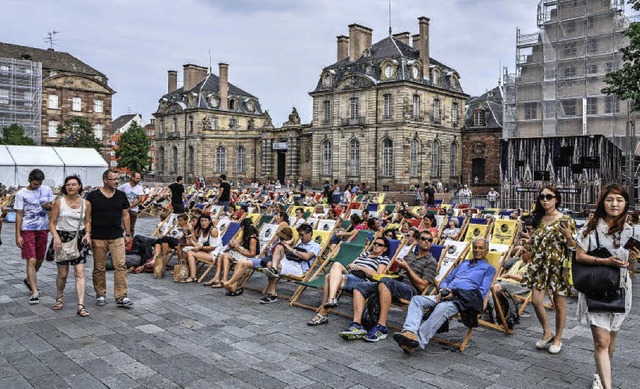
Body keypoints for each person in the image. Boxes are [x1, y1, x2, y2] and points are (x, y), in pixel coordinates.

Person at [574, 184, 637, 389]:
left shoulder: (630, 230)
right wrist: (605, 261)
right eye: (610, 199)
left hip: (620, 289)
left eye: (619, 200)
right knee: (601, 341)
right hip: (595, 288)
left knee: (610, 340)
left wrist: (634, 260)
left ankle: (600, 375)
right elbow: (579, 256)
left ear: (626, 203)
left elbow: (630, 266)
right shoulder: (591, 227)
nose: (614, 204)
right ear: (603, 202)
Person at [392, 238, 495, 353]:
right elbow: (447, 279)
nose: (477, 250)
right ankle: (409, 332)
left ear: (487, 250)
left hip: (462, 300)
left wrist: (455, 293)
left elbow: (480, 293)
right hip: (444, 294)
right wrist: (442, 289)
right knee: (417, 300)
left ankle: (418, 340)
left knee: (442, 307)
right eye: (475, 247)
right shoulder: (464, 264)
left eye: (481, 248)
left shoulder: (489, 269)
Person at [339, 231, 438, 341]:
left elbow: (423, 286)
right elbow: (397, 274)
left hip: (410, 290)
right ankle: (357, 325)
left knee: (385, 282)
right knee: (360, 286)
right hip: (395, 284)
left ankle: (381, 327)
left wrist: (407, 268)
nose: (426, 241)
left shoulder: (431, 262)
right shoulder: (409, 256)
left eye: (429, 240)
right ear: (418, 241)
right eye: (424, 238)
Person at [521, 186, 576, 354]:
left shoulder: (565, 220)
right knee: (536, 301)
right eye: (542, 197)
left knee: (559, 304)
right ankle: (547, 332)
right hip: (539, 264)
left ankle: (558, 338)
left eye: (549, 196)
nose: (545, 200)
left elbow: (573, 247)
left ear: (556, 199)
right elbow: (539, 242)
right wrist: (529, 242)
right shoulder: (538, 219)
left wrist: (568, 237)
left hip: (558, 266)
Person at [308, 237, 391, 326]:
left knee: (328, 277)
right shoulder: (365, 254)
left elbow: (377, 275)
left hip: (362, 279)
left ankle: (322, 313)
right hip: (351, 273)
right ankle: (331, 299)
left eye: (380, 245)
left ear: (385, 249)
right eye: (375, 243)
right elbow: (349, 265)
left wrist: (360, 267)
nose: (376, 245)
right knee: (336, 264)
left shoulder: (384, 259)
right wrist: (351, 266)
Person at [86, 169, 133, 308]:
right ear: (105, 180)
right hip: (98, 237)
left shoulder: (121, 196)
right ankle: (100, 294)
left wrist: (128, 234)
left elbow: (126, 215)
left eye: (118, 179)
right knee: (99, 267)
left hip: (117, 236)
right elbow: (87, 218)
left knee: (120, 265)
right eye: (114, 179)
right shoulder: (92, 196)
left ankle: (121, 295)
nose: (117, 182)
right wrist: (88, 234)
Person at [46, 175, 92, 316]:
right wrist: (56, 238)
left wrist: (88, 233)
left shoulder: (86, 203)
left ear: (79, 186)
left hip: (79, 238)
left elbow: (87, 221)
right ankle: (59, 298)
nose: (70, 187)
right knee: (63, 274)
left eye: (73, 184)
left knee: (80, 272)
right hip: (62, 237)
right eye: (68, 185)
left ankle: (80, 305)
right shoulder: (59, 202)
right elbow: (52, 223)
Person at [14, 168, 54, 304]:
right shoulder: (21, 194)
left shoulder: (47, 190)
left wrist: (49, 207)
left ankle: (29, 279)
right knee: (31, 259)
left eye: (39, 184)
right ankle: (34, 291)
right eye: (35, 184)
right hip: (27, 228)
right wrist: (18, 234)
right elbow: (19, 214)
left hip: (43, 228)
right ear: (29, 180)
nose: (37, 186)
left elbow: (53, 207)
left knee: (40, 258)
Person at [260, 223, 321, 303]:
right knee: (279, 247)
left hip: (299, 268)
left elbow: (307, 257)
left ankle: (272, 294)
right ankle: (273, 271)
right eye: (299, 235)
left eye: (302, 235)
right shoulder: (300, 243)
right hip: (290, 262)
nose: (301, 237)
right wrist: (287, 245)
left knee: (269, 264)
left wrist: (292, 249)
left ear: (309, 234)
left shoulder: (315, 246)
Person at [219, 218, 260, 295]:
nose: (240, 229)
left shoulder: (252, 238)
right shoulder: (245, 234)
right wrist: (233, 243)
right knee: (226, 255)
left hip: (249, 257)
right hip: (242, 253)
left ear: (243, 227)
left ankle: (233, 287)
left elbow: (252, 254)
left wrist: (239, 250)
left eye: (241, 227)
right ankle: (224, 279)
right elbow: (237, 242)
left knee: (239, 262)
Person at [184, 213, 221, 283]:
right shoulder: (203, 230)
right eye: (201, 221)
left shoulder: (213, 231)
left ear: (209, 221)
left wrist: (200, 247)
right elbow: (199, 244)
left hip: (214, 254)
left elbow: (212, 247)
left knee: (190, 253)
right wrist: (191, 240)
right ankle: (189, 274)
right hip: (206, 251)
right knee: (187, 250)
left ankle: (192, 276)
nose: (203, 223)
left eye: (205, 220)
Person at [118, 172, 144, 237]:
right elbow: (117, 192)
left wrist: (130, 207)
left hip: (133, 210)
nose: (138, 180)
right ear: (132, 178)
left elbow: (140, 200)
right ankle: (120, 240)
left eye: (139, 178)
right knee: (121, 226)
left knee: (131, 228)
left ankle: (130, 241)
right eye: (137, 178)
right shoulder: (125, 186)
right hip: (124, 209)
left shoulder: (139, 188)